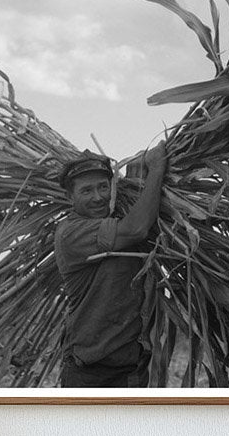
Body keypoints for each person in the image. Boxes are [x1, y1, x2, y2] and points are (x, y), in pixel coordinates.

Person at [54, 142, 168, 387]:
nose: (98, 197)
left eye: (103, 187)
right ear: (69, 196)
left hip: (131, 369)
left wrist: (138, 177)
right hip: (90, 374)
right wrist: (157, 169)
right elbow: (137, 229)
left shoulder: (116, 221)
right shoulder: (71, 233)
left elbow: (140, 220)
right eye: (86, 191)